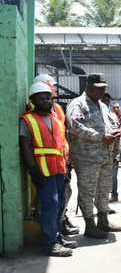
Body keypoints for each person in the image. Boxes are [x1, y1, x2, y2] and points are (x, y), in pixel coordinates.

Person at [19, 82, 77, 256]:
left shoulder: (56, 120)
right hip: (43, 171)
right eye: (41, 96)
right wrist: (33, 170)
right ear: (33, 99)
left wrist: (67, 166)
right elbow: (25, 146)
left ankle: (56, 236)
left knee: (59, 204)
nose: (46, 99)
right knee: (49, 206)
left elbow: (62, 145)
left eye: (48, 96)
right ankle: (49, 243)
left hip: (59, 170)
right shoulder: (27, 120)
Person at [65, 74, 121, 239]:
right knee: (87, 191)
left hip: (105, 156)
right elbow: (75, 126)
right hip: (86, 158)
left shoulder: (102, 106)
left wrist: (114, 133)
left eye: (104, 88)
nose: (102, 91)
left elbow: (110, 125)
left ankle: (103, 220)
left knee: (104, 189)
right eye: (99, 88)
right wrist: (100, 137)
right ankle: (90, 225)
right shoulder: (78, 104)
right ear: (89, 87)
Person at [32, 74, 80, 236]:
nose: (54, 90)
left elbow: (62, 135)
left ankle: (59, 229)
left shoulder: (57, 109)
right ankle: (51, 236)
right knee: (49, 203)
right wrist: (34, 169)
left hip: (61, 162)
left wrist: (68, 158)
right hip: (45, 167)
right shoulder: (32, 114)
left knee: (62, 198)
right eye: (51, 85)